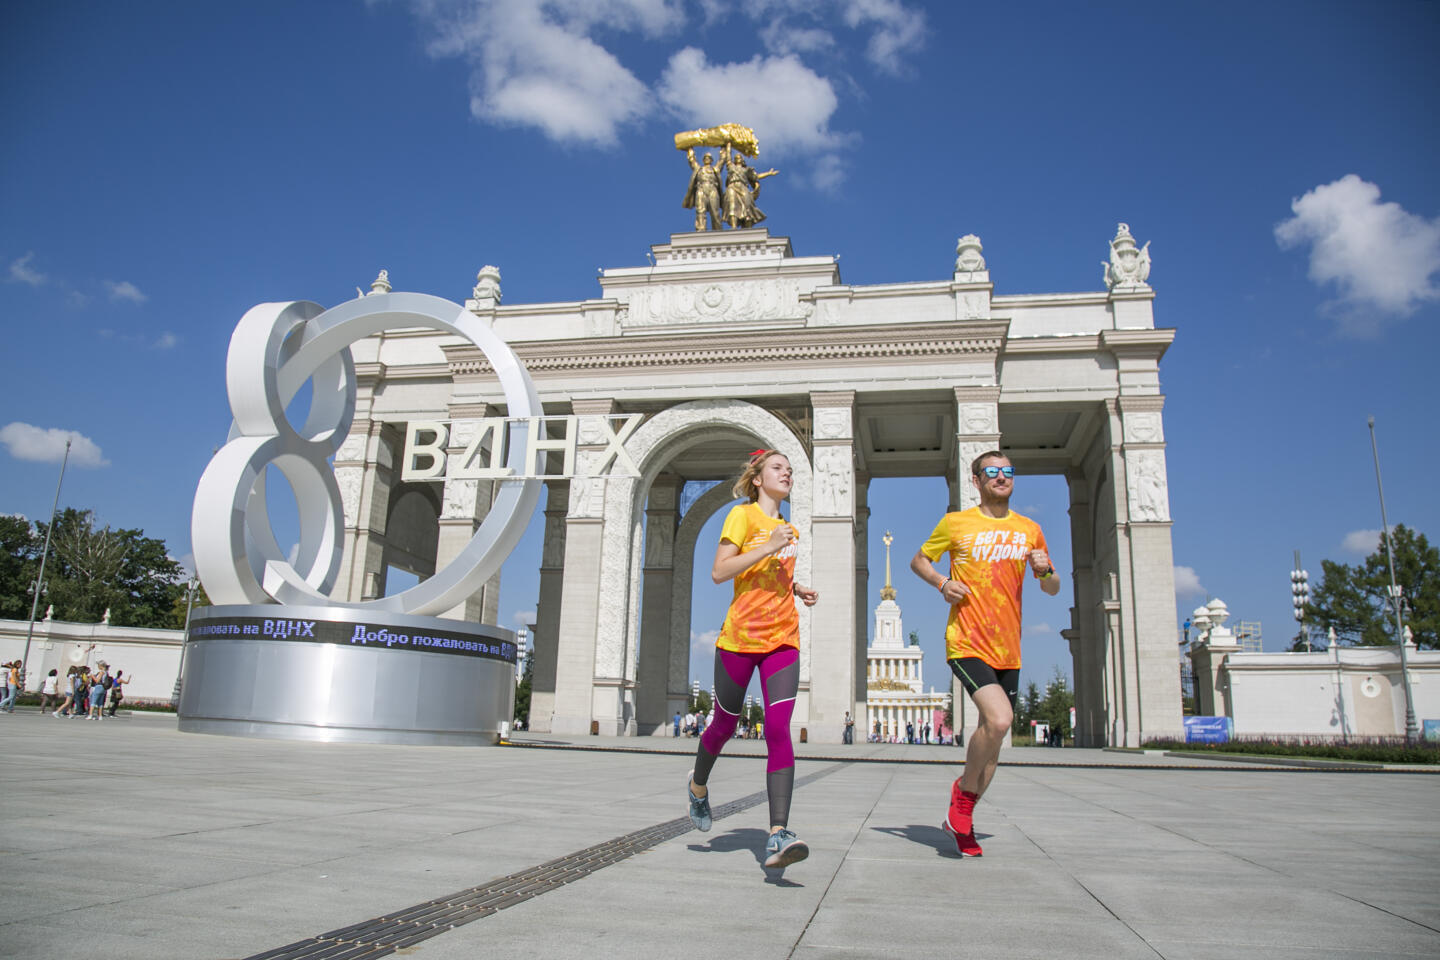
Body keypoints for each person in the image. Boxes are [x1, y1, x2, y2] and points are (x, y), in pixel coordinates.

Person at [911, 450, 1060, 857]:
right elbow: (919, 560)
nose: (1001, 477)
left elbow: (1052, 587)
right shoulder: (956, 523)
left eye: (1007, 471)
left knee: (994, 739)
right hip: (966, 641)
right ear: (976, 480)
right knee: (1000, 719)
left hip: (1007, 648)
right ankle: (962, 797)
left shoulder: (1029, 529)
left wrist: (1045, 569)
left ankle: (963, 817)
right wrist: (942, 583)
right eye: (991, 471)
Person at [686, 449, 819, 869]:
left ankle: (778, 833)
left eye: (791, 470)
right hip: (740, 639)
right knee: (723, 725)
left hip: (783, 638)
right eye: (779, 468)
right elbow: (721, 572)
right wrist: (769, 548)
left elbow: (769, 578)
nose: (788, 474)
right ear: (758, 478)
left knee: (778, 728)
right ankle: (698, 786)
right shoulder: (741, 518)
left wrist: (796, 588)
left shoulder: (787, 529)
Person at [721, 142, 778, 229]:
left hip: (743, 187)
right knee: (732, 206)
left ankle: (747, 224)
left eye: (740, 157)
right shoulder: (731, 167)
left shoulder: (747, 170)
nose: (738, 158)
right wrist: (728, 145)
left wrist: (769, 173)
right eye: (736, 158)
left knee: (747, 206)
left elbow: (756, 176)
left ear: (742, 160)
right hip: (732, 186)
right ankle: (734, 227)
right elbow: (728, 158)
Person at [682, 148, 724, 232]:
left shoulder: (715, 169)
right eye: (705, 157)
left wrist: (725, 149)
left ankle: (717, 230)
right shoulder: (699, 169)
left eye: (708, 157)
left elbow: (722, 160)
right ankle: (701, 228)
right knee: (700, 211)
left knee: (715, 212)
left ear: (711, 160)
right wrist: (690, 150)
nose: (706, 159)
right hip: (701, 189)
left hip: (712, 189)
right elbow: (692, 161)